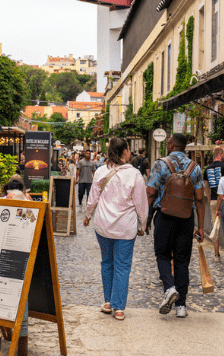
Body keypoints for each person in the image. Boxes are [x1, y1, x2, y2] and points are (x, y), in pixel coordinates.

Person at [83, 137, 147, 321]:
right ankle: (118, 308)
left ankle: (109, 301)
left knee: (107, 262)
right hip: (125, 227)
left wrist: (88, 215)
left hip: (103, 225)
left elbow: (93, 198)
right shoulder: (134, 174)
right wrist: (143, 224)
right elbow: (141, 203)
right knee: (122, 266)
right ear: (126, 151)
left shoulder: (101, 171)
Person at [145, 134, 206, 319]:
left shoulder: (161, 164)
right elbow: (201, 199)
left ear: (171, 144)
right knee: (182, 261)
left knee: (162, 255)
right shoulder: (195, 168)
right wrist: (201, 227)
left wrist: (145, 218)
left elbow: (150, 192)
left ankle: (169, 288)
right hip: (186, 218)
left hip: (165, 216)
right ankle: (181, 306)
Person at [203, 147, 224, 258]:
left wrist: (209, 198)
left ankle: (216, 253)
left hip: (213, 200)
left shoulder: (207, 169)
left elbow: (206, 186)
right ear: (220, 154)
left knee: (216, 227)